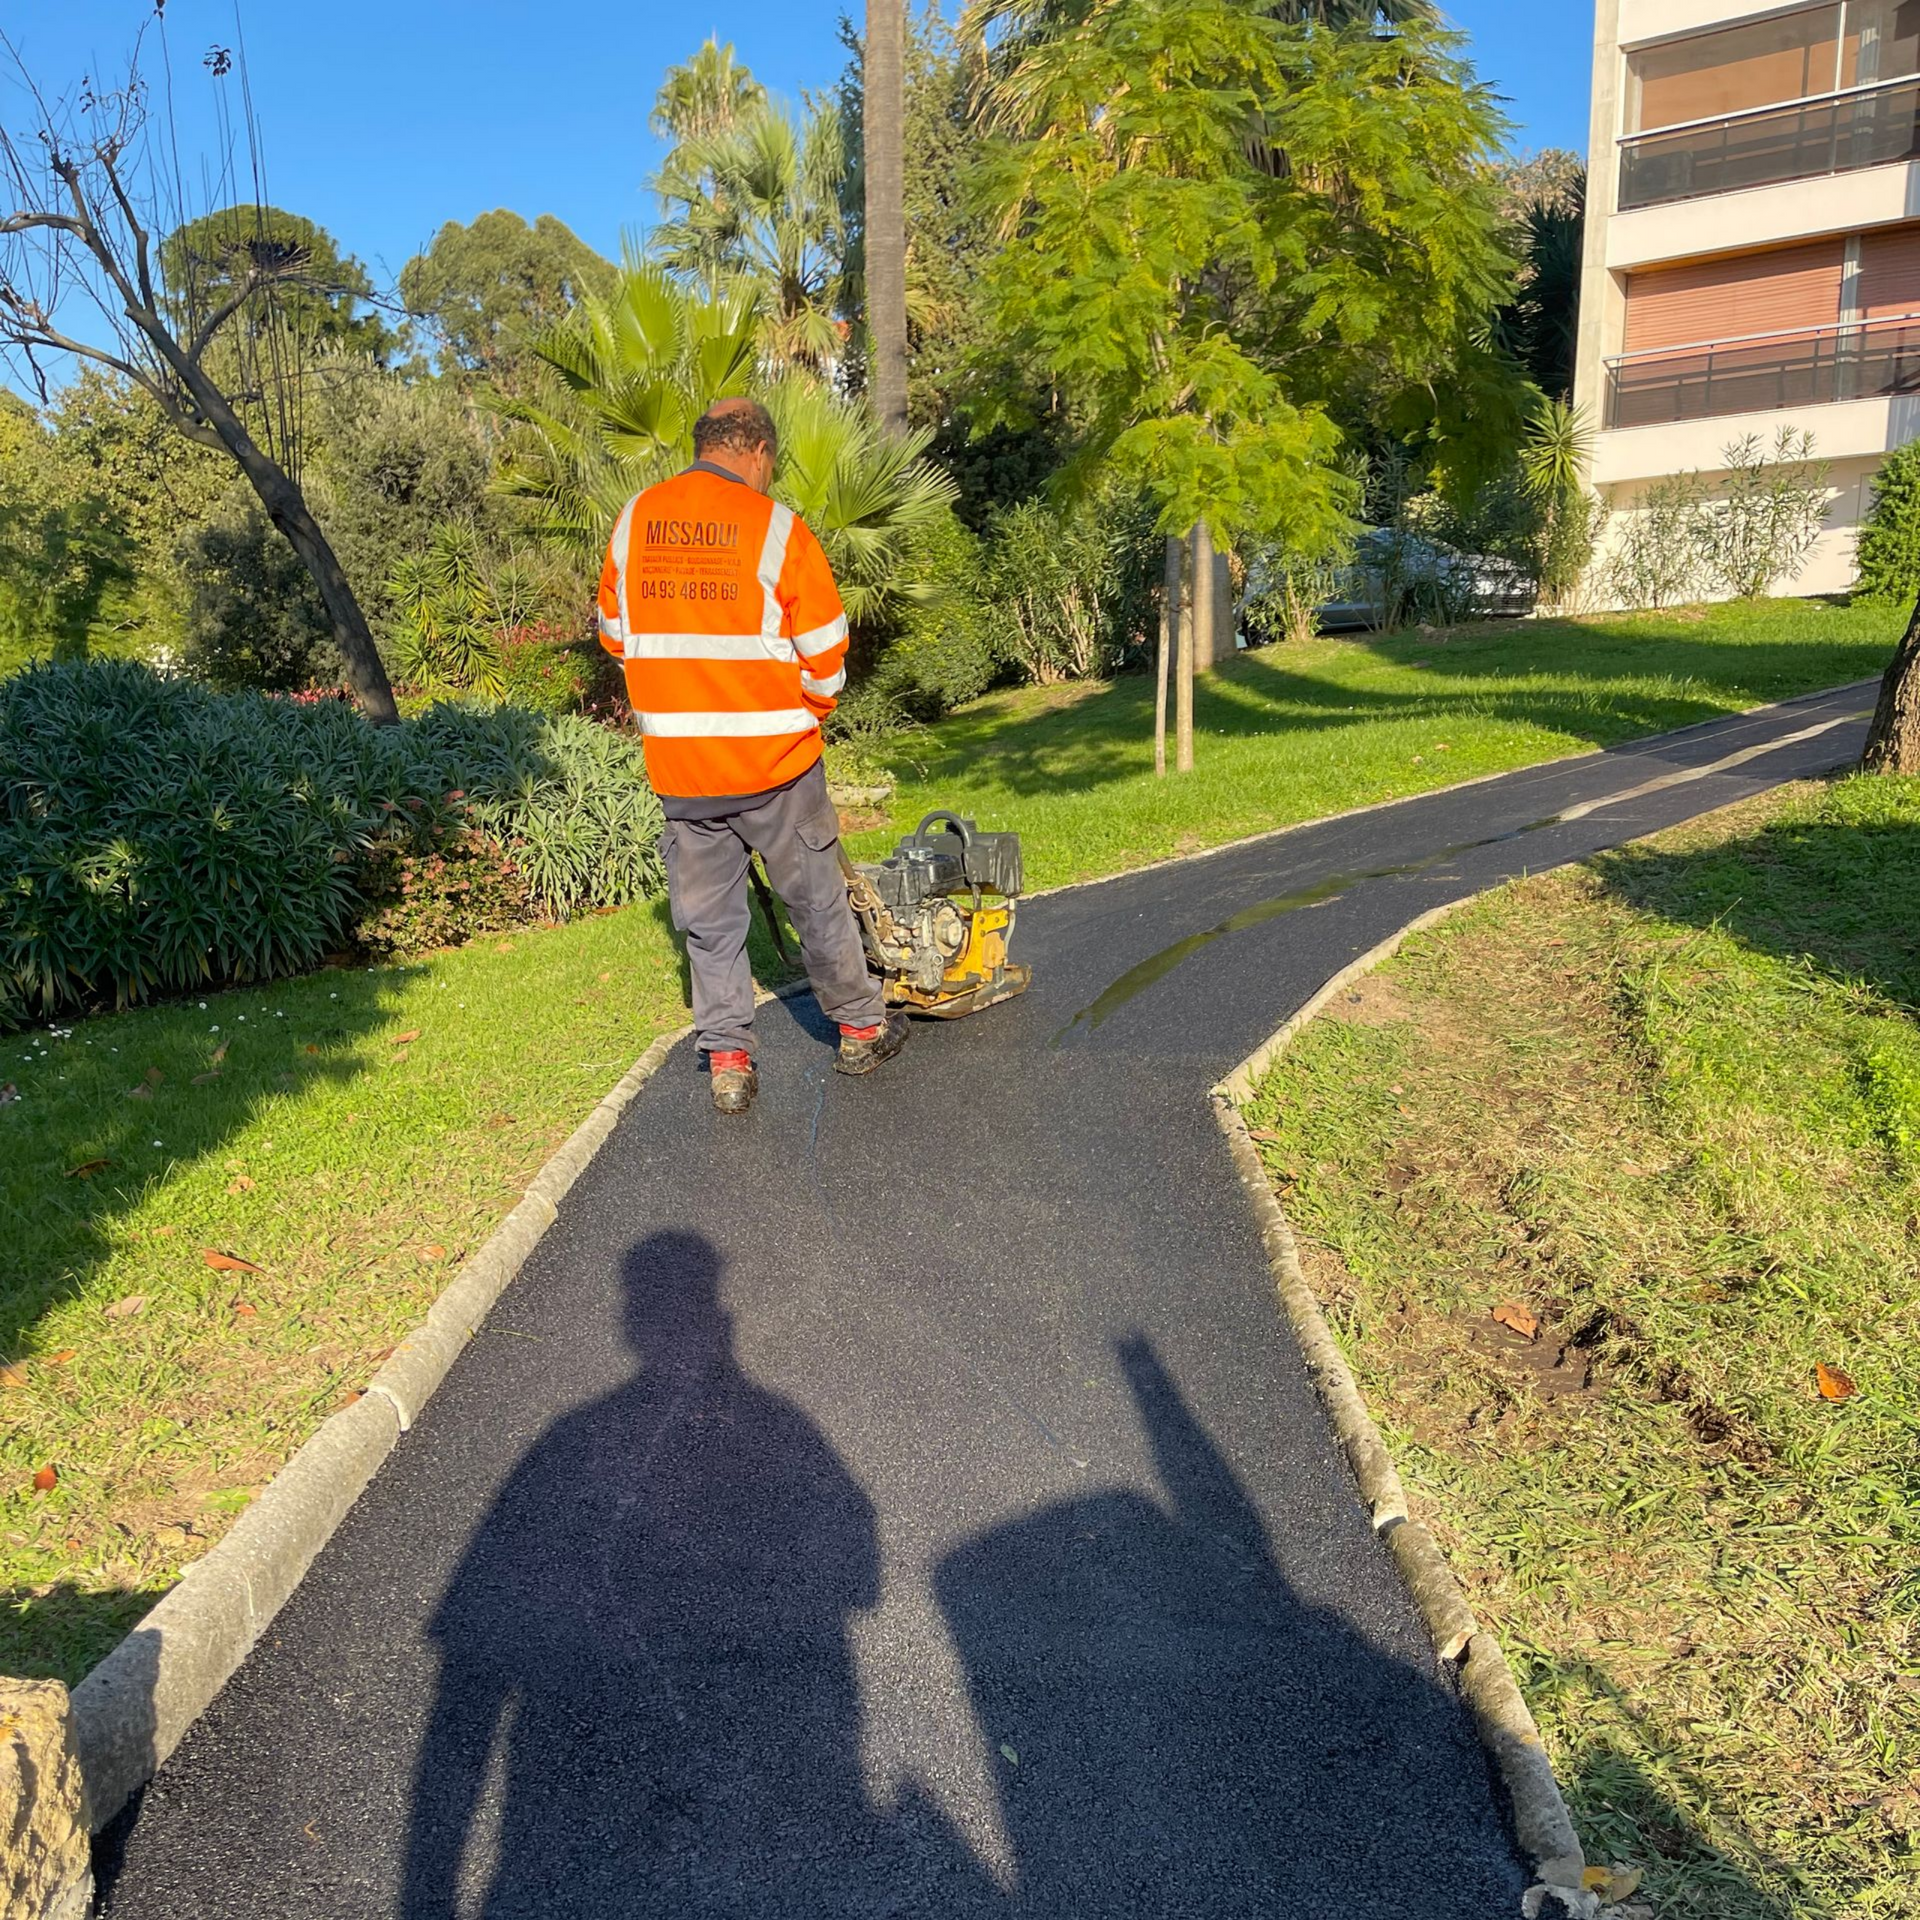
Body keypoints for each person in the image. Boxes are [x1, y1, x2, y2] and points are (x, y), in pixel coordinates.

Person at [598, 398, 909, 1114]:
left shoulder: (636, 520)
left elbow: (616, 633)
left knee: (710, 925)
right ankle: (861, 1028)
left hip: (684, 771)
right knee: (816, 901)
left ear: (703, 445)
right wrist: (803, 716)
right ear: (760, 452)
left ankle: (729, 1062)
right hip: (777, 767)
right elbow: (825, 659)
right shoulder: (777, 529)